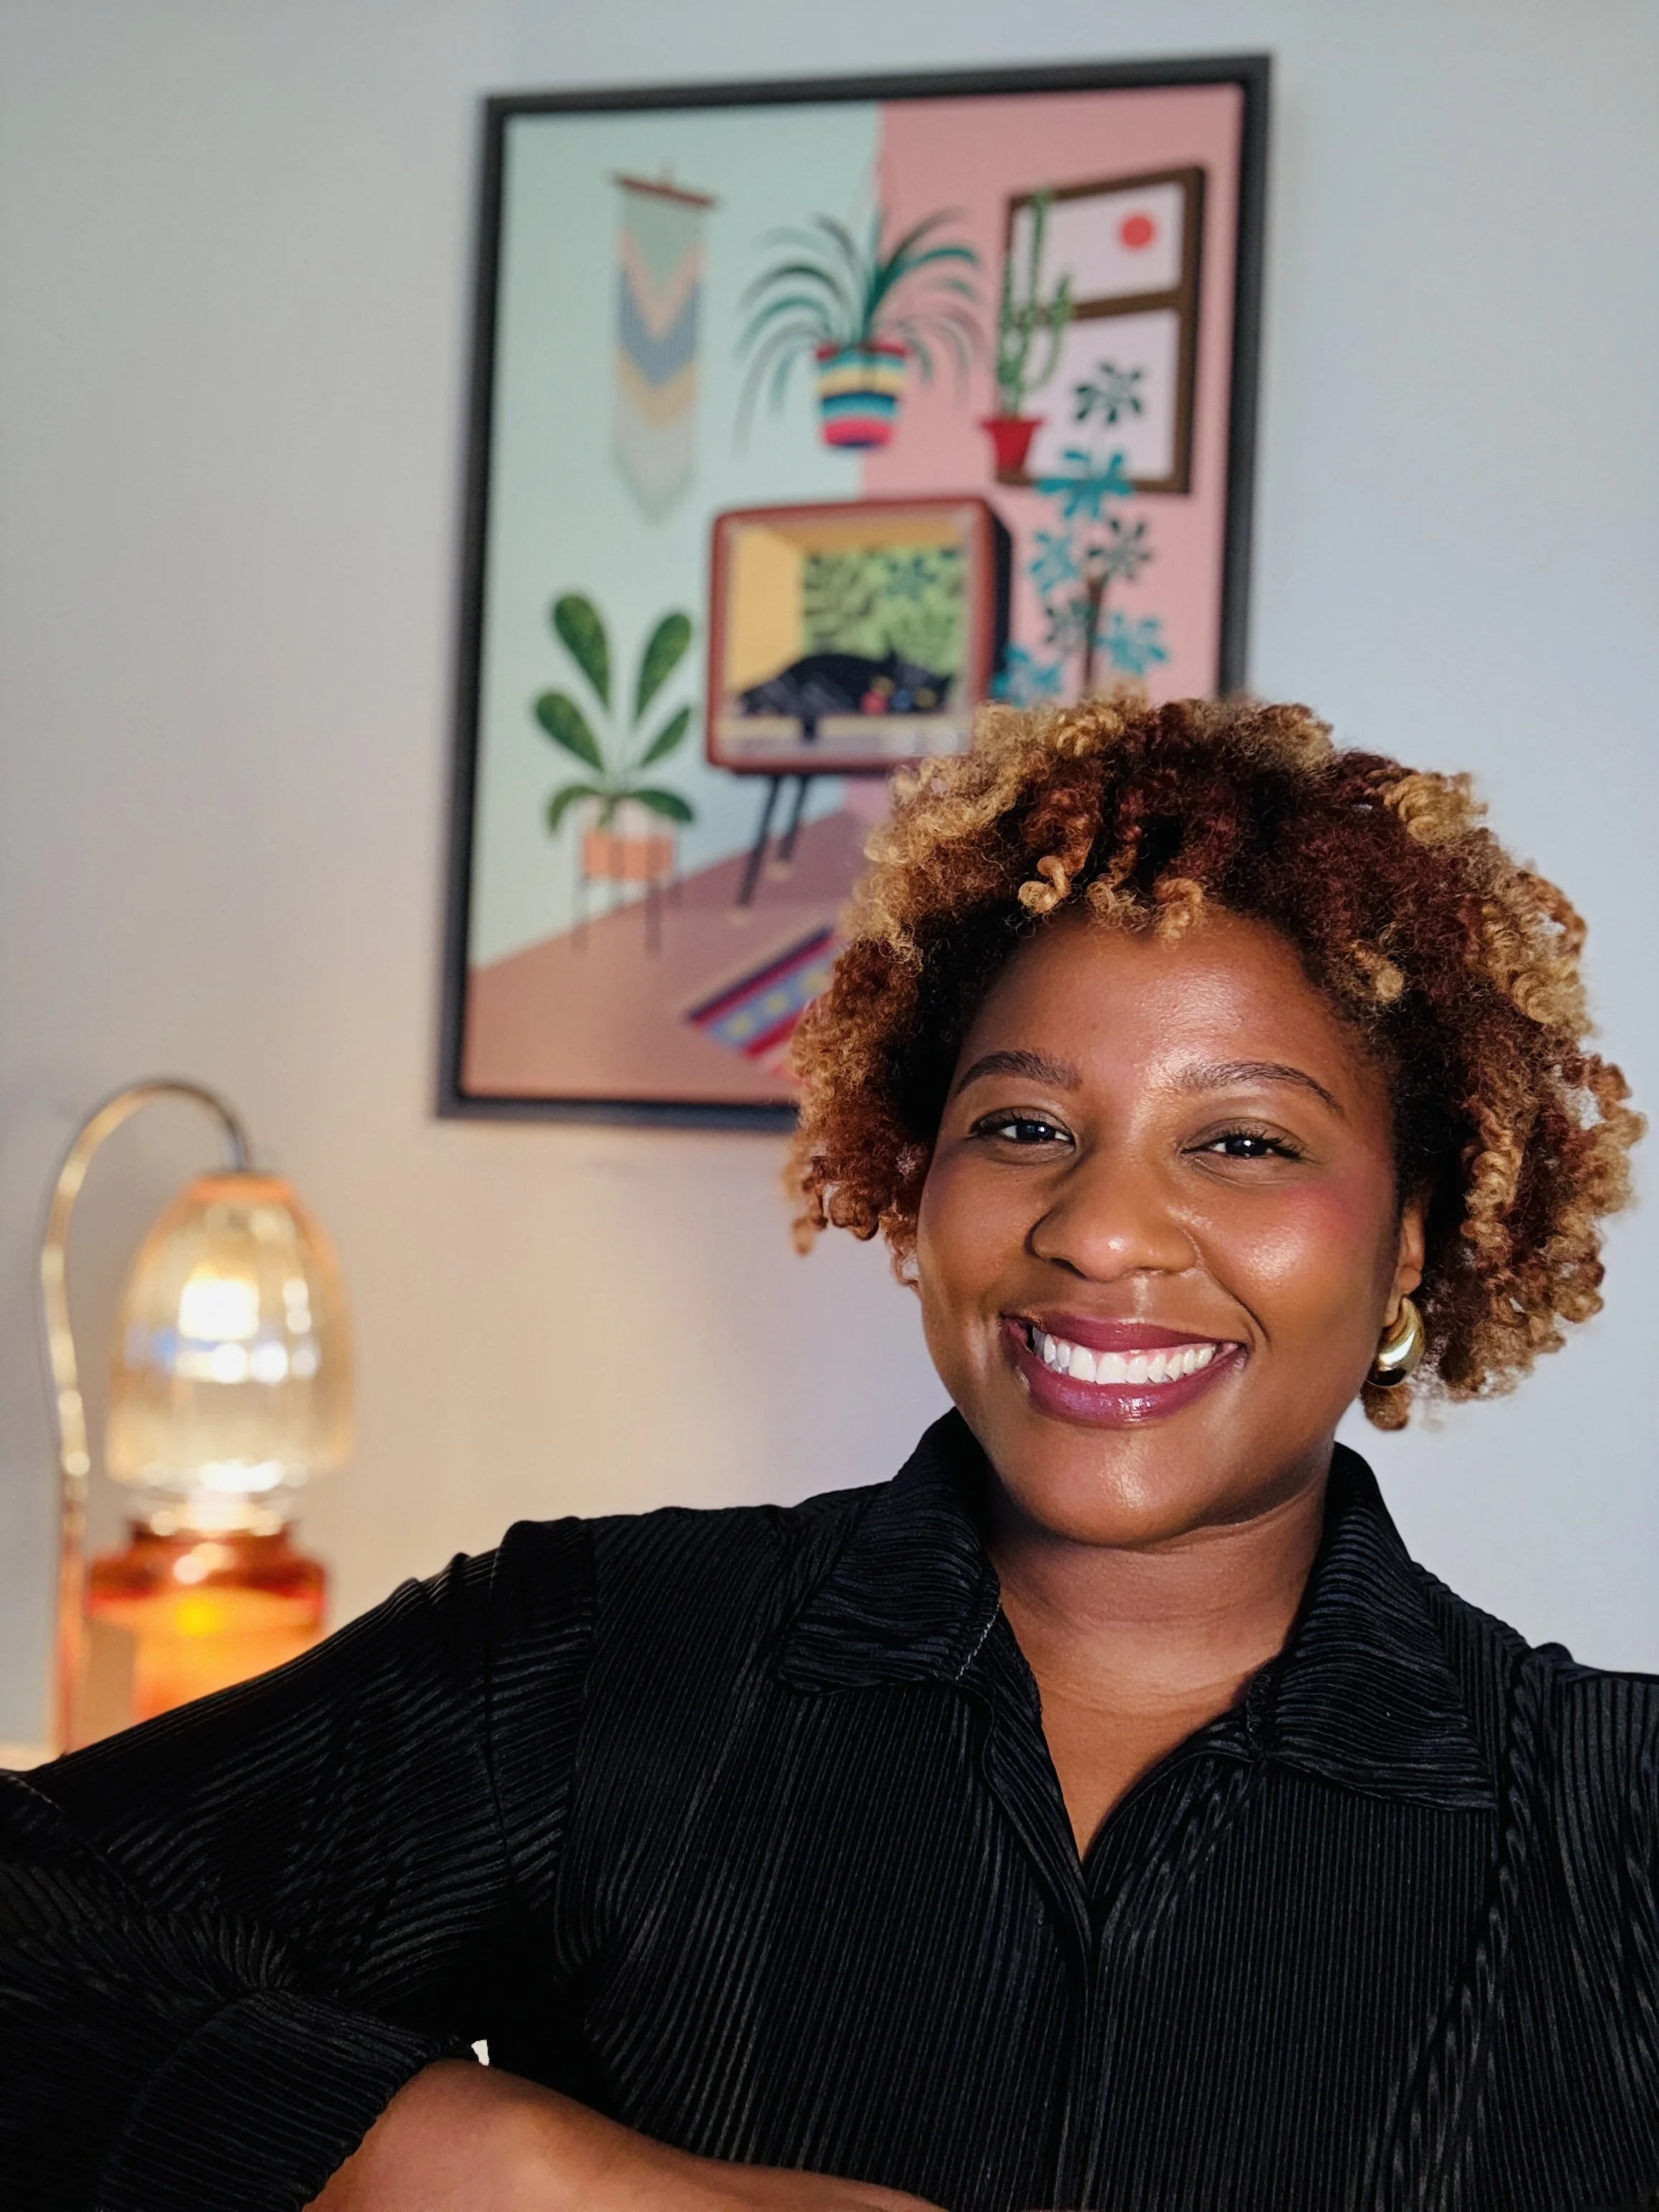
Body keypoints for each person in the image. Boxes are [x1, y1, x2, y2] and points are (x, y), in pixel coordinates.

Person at [3, 694, 1656, 2212]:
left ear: (1421, 1239)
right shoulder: (592, 1653)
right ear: (913, 1175)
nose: (1100, 1228)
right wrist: (515, 2163)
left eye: (1242, 1140)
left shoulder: (1614, 1824)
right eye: (1024, 1125)